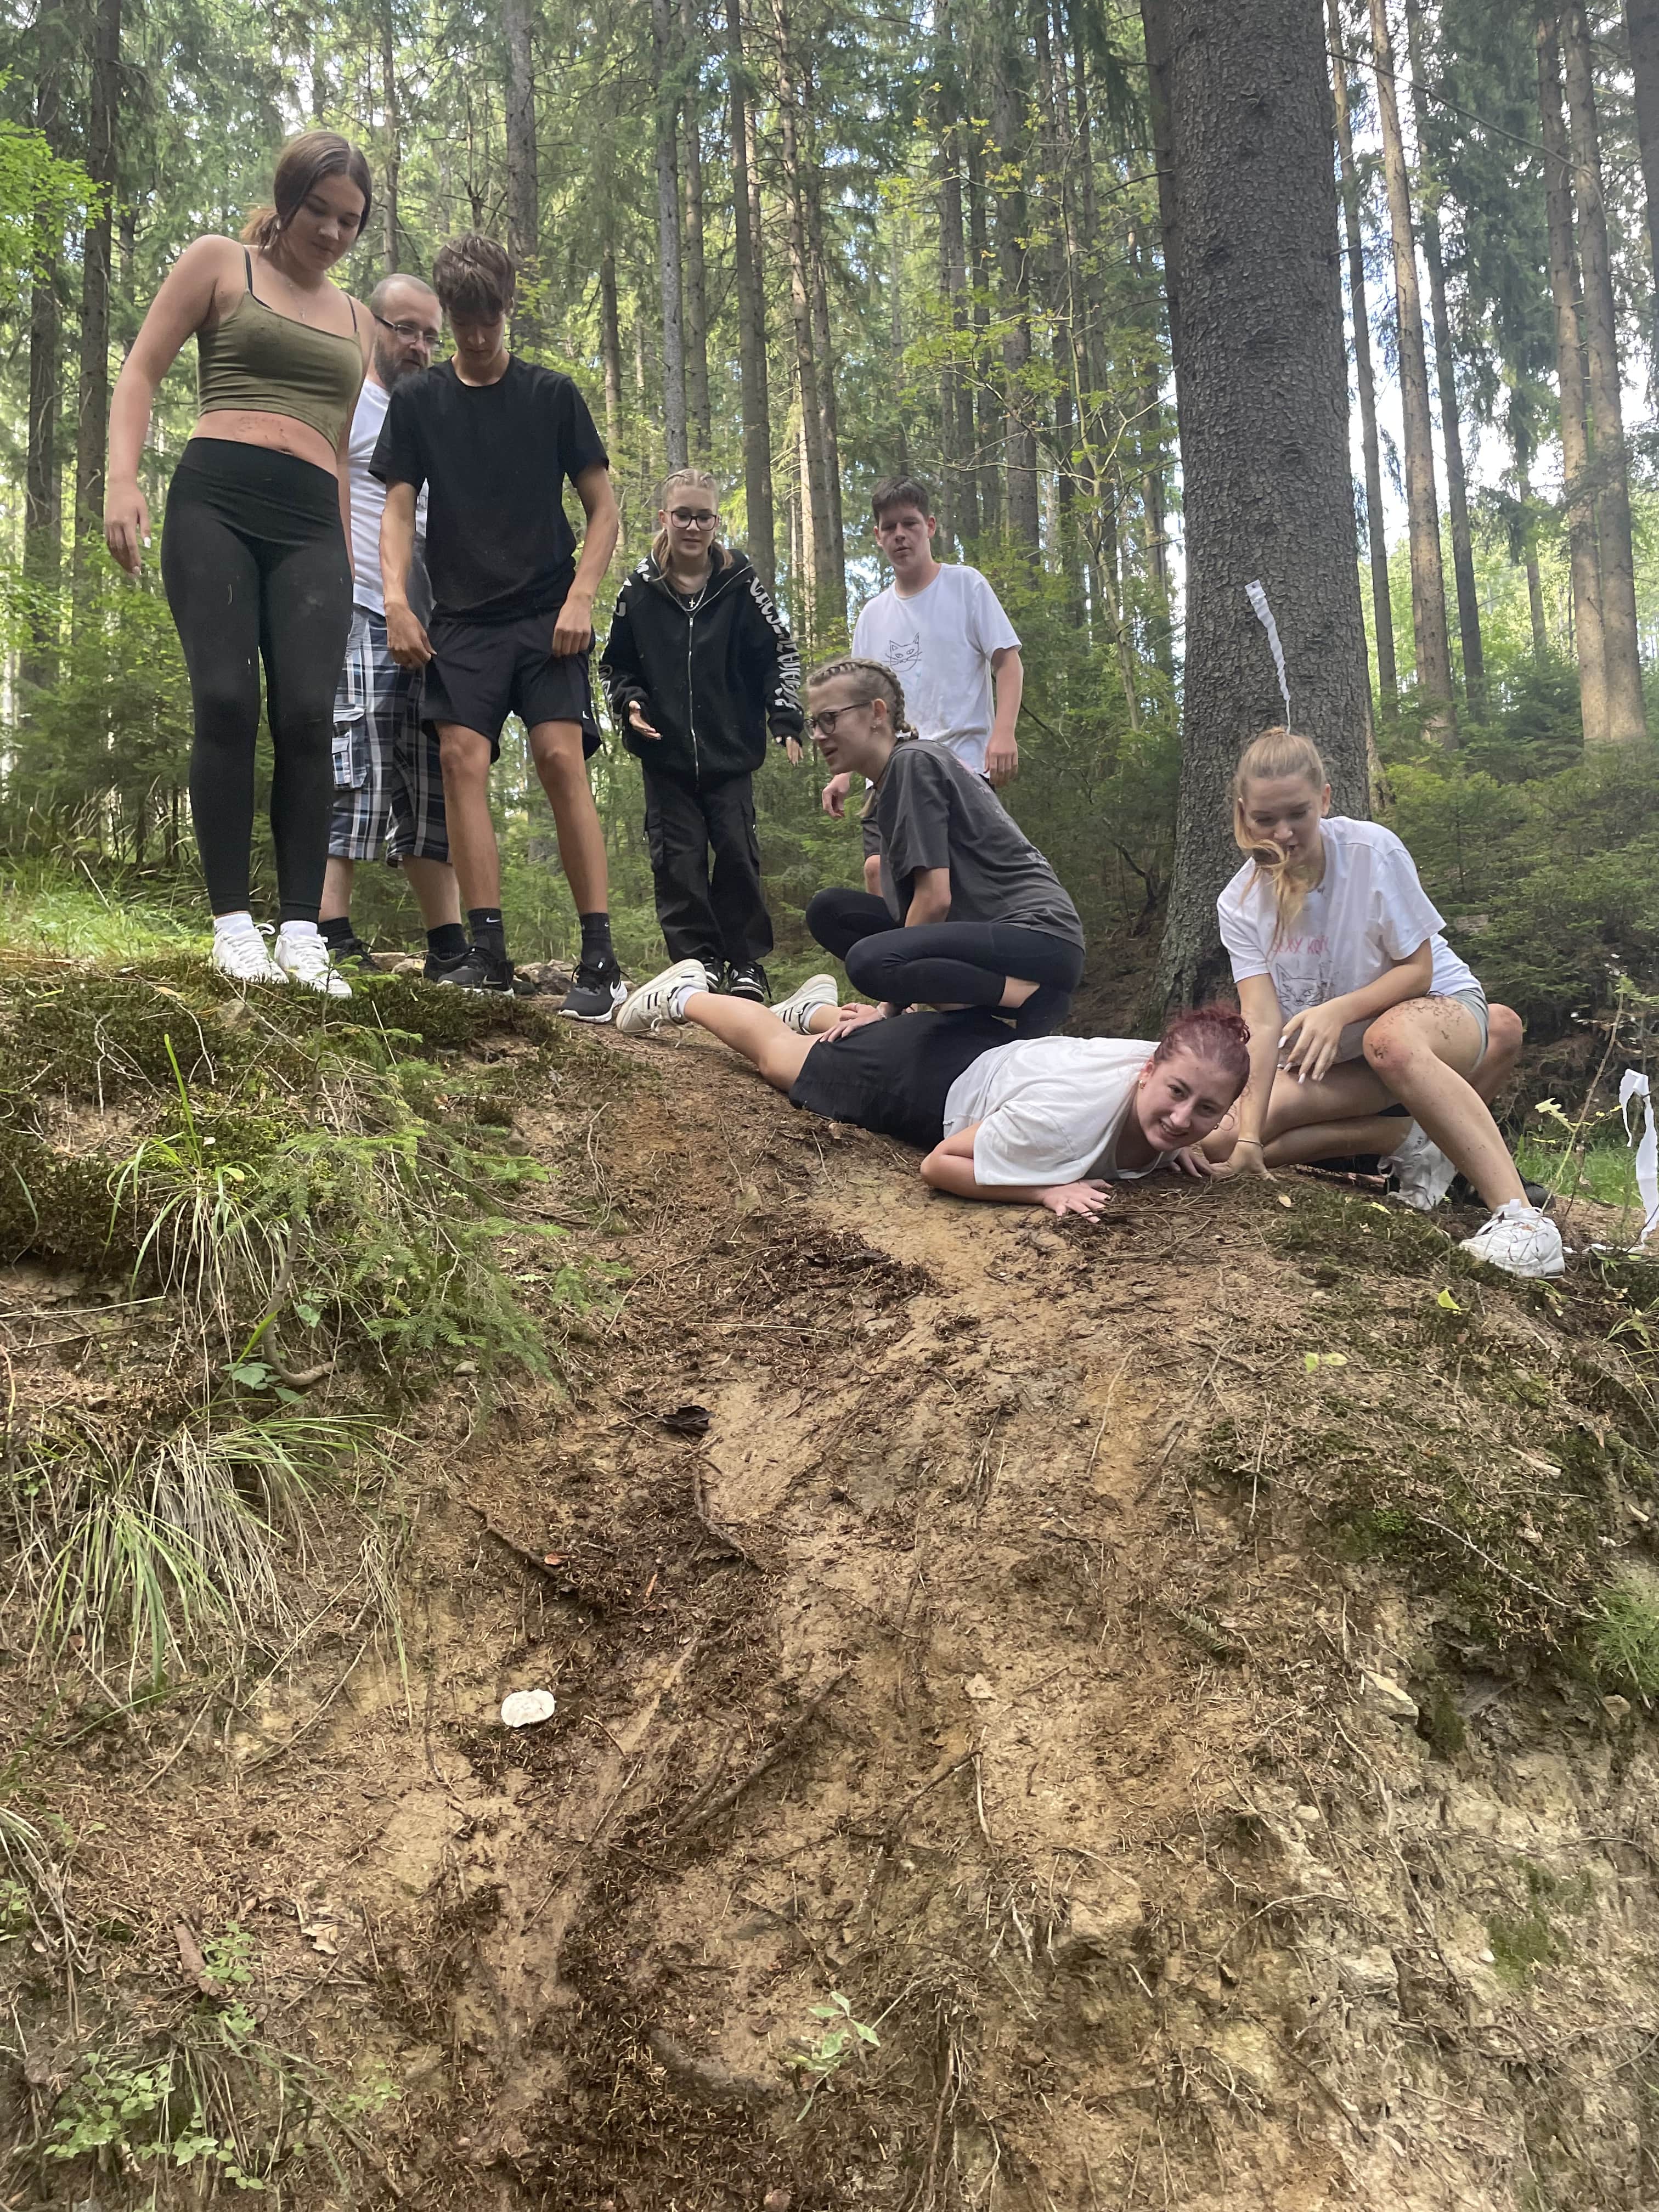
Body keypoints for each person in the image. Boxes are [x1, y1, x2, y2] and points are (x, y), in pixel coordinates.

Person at [104, 130, 375, 997]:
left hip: (312, 529)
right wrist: (122, 482)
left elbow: (341, 447)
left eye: (350, 221)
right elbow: (141, 371)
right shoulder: (221, 263)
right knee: (226, 700)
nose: (331, 232)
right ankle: (232, 927)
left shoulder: (359, 321)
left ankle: (301, 932)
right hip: (215, 503)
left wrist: (347, 558)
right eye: (319, 211)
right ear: (288, 198)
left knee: (307, 716)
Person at [373, 233, 624, 1013]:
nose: (479, 335)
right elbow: (397, 508)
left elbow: (604, 508)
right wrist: (397, 601)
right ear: (448, 315)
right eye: (464, 321)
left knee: (559, 758)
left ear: (508, 308)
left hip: (549, 613)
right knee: (460, 761)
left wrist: (582, 597)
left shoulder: (552, 396)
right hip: (462, 620)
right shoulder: (420, 401)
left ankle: (599, 959)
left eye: (491, 319)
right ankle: (487, 952)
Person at [1207, 727, 1561, 1279]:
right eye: (1265, 819)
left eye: (1298, 814)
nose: (1283, 834)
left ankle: (1523, 1223)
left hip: (1438, 1011)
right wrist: (1251, 1137)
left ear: (1324, 800)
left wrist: (1339, 1010)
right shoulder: (1239, 902)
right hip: (1339, 1058)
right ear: (1242, 814)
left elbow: (1418, 970)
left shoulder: (1371, 851)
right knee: (1223, 1140)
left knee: (1389, 1041)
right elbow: (1262, 1018)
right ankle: (1412, 1142)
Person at [614, 959, 1249, 1217]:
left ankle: (815, 1010)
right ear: (1148, 1071)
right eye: (1176, 1093)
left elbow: (1216, 1120)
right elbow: (939, 1165)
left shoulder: (1174, 1060)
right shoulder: (1065, 1120)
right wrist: (1044, 1189)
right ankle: (685, 994)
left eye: (1205, 1108)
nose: (1183, 1116)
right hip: (931, 1080)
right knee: (780, 1062)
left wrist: (1177, 1142)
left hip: (989, 1050)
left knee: (828, 1042)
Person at [599, 469, 803, 1003]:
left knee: (737, 854)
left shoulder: (741, 583)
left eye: (703, 517)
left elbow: (778, 653)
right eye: (683, 515)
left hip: (729, 753)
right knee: (677, 862)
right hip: (664, 755)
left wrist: (785, 718)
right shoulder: (639, 589)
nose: (693, 527)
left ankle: (746, 965)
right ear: (664, 518)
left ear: (717, 523)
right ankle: (697, 964)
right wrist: (630, 703)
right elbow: (615, 665)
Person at [802, 658, 1085, 1039]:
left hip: (1036, 936)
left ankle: (1031, 998)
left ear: (877, 713)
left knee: (872, 961)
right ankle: (968, 1021)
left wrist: (888, 1005)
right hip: (983, 933)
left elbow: (935, 899)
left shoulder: (913, 764)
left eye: (830, 719)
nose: (819, 735)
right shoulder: (893, 778)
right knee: (832, 911)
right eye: (814, 723)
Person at [318, 273, 467, 982]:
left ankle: (449, 943)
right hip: (359, 606)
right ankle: (327, 927)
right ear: (372, 326)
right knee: (352, 760)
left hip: (436, 622)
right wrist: (340, 587)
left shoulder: (436, 413)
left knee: (433, 773)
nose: (419, 345)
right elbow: (325, 491)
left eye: (430, 334)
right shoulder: (348, 400)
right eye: (405, 329)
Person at [821, 475, 1023, 897]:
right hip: (888, 774)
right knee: (878, 872)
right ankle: (893, 944)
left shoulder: (966, 586)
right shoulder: (872, 616)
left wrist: (1004, 733)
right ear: (878, 536)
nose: (900, 535)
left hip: (959, 769)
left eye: (909, 523)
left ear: (929, 526)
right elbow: (858, 705)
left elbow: (1007, 662)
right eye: (890, 527)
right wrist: (844, 773)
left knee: (952, 888)